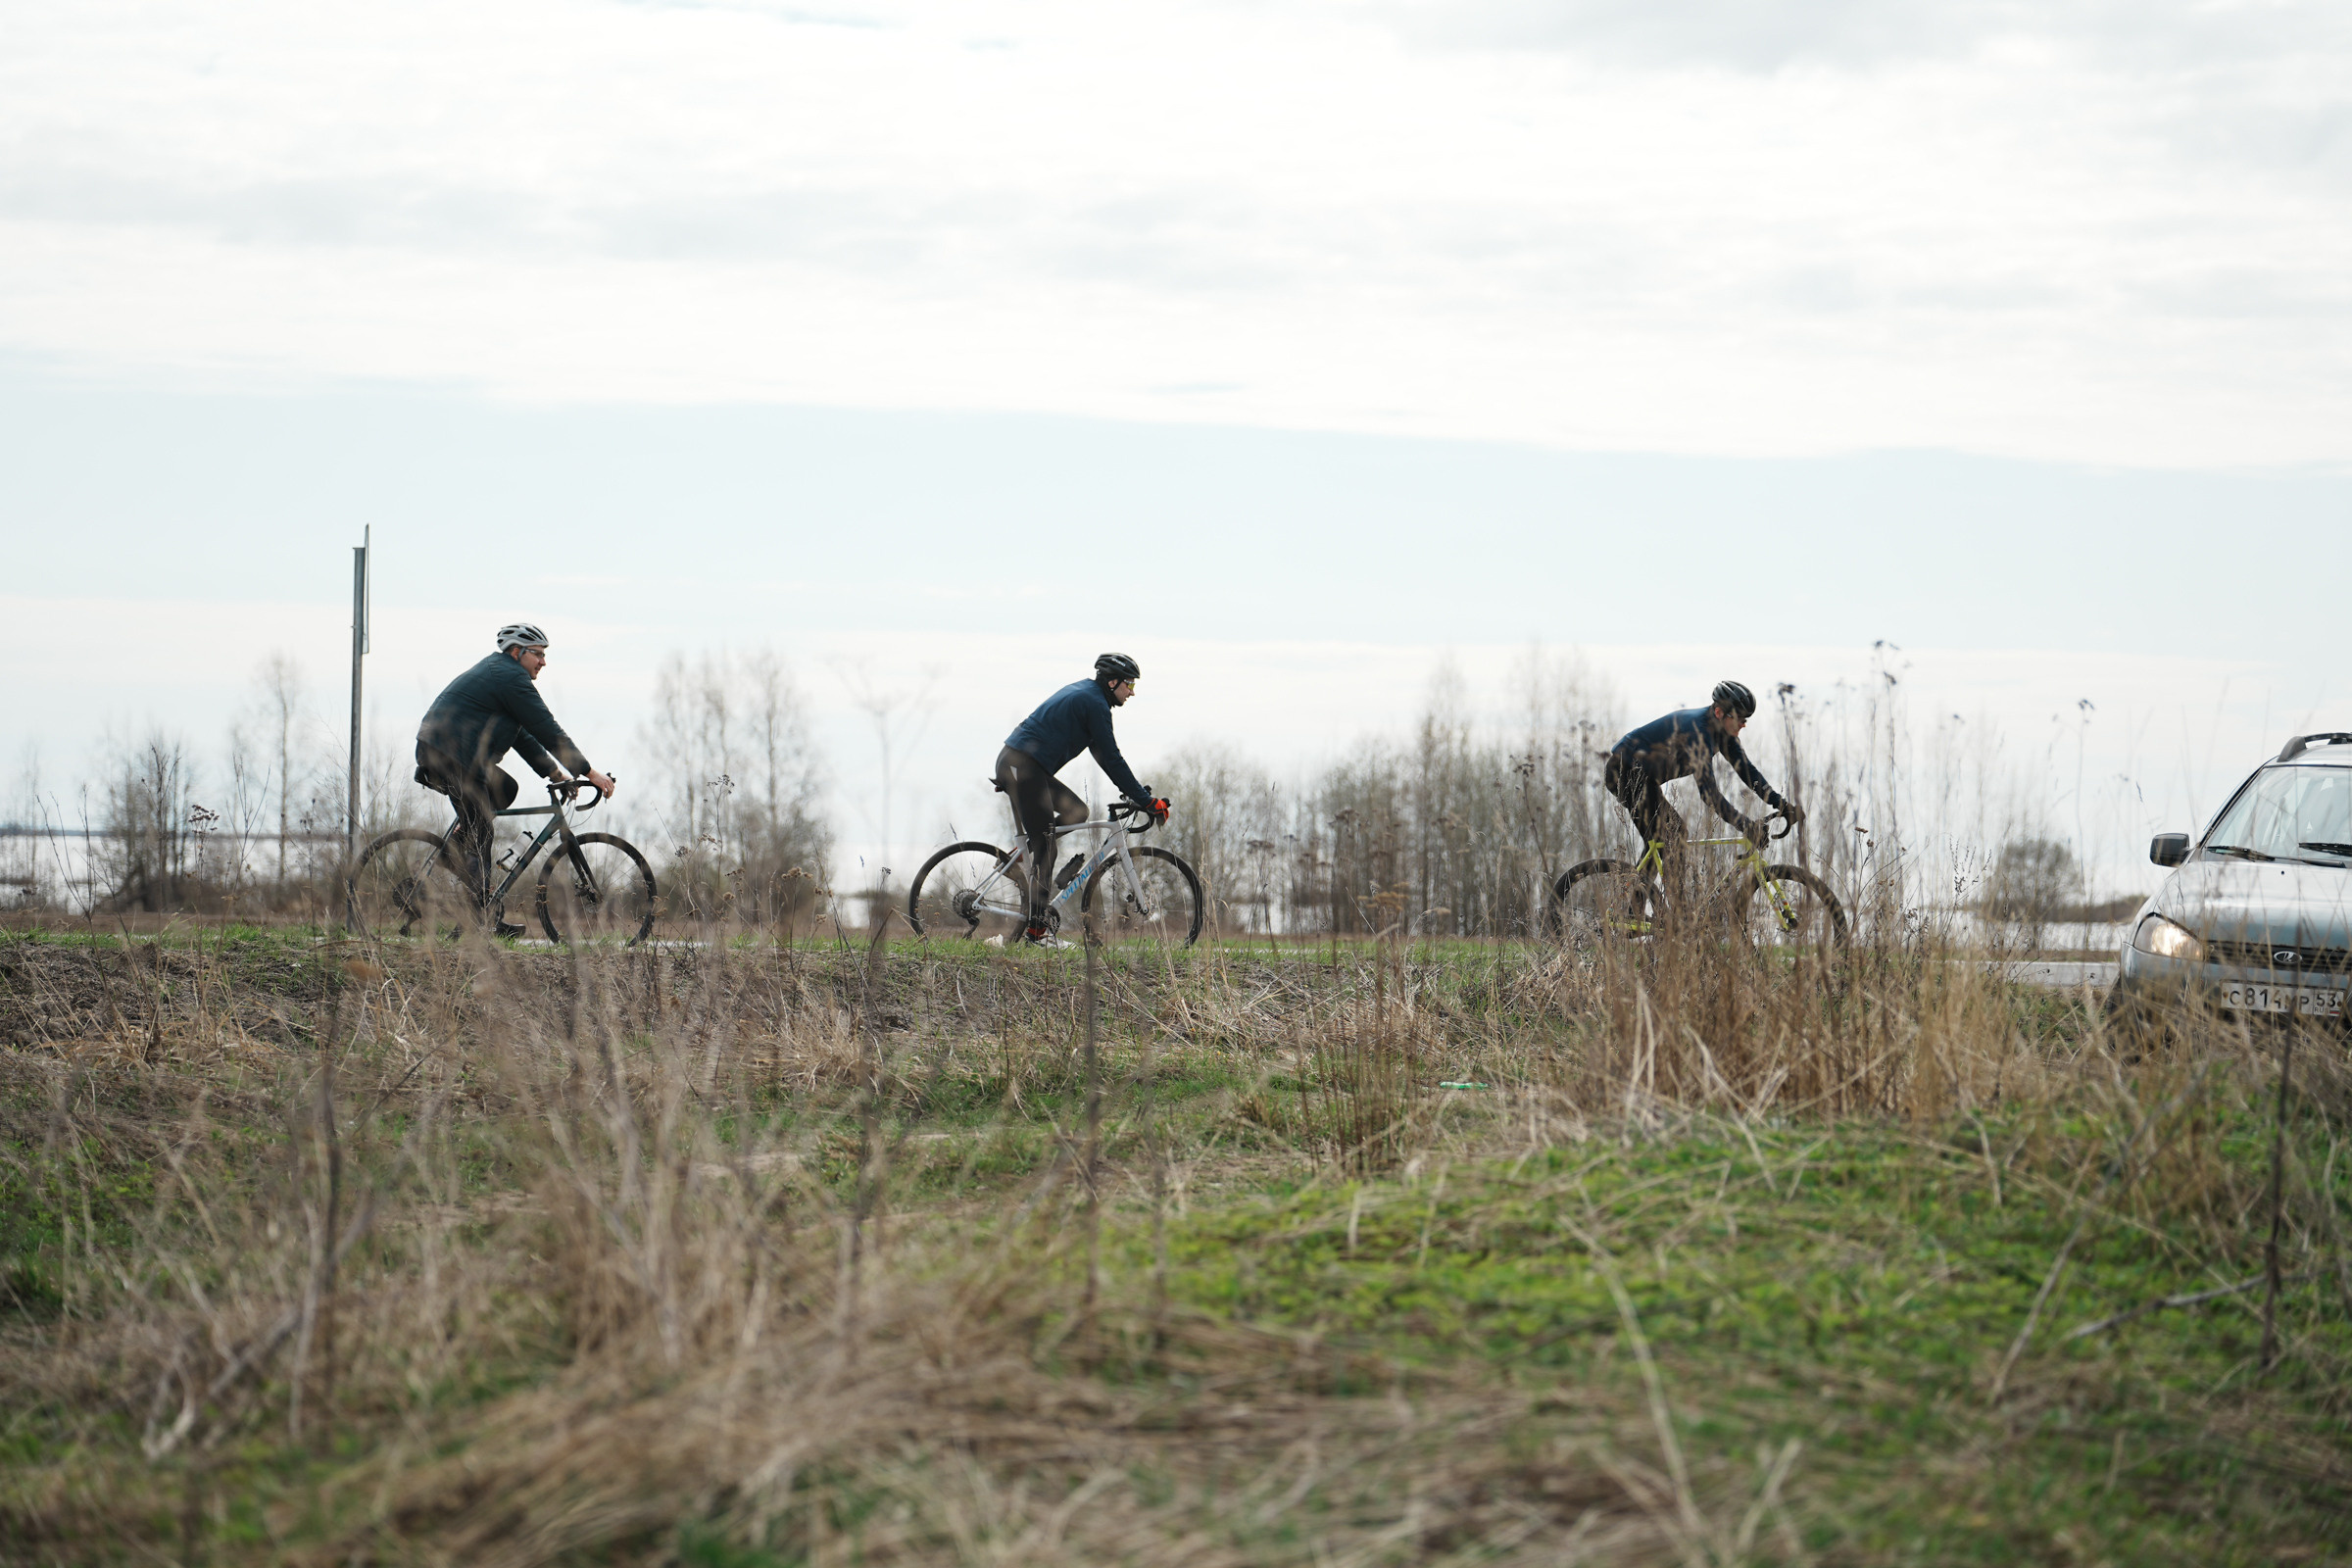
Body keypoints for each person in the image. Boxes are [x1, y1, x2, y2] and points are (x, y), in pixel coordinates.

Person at [415, 623, 617, 934]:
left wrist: (554, 772)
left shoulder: (503, 678)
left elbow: (523, 734)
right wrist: (589, 771)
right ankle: (479, 921)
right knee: (482, 829)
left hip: (457, 755)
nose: (543, 662)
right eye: (537, 654)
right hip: (449, 753)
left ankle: (457, 855)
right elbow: (546, 727)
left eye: (544, 655)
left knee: (505, 790)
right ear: (516, 653)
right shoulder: (509, 676)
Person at [997, 653, 1166, 944]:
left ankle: (1018, 857)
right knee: (1047, 848)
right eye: (1129, 684)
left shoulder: (1089, 697)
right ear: (1111, 681)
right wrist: (1147, 802)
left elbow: (1105, 758)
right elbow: (1112, 758)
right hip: (1021, 766)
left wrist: (1136, 793)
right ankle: (1037, 935)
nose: (1132, 692)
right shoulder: (1094, 704)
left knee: (1076, 811)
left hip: (1025, 764)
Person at [1605, 680, 1802, 870]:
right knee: (1674, 835)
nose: (1743, 725)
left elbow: (1748, 772)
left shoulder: (1724, 734)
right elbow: (1709, 794)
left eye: (1746, 720)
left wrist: (1781, 803)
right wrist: (1745, 825)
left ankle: (1649, 900)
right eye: (1740, 719)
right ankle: (1671, 903)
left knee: (1667, 840)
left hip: (1646, 778)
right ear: (1719, 713)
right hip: (1624, 772)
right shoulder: (1698, 733)